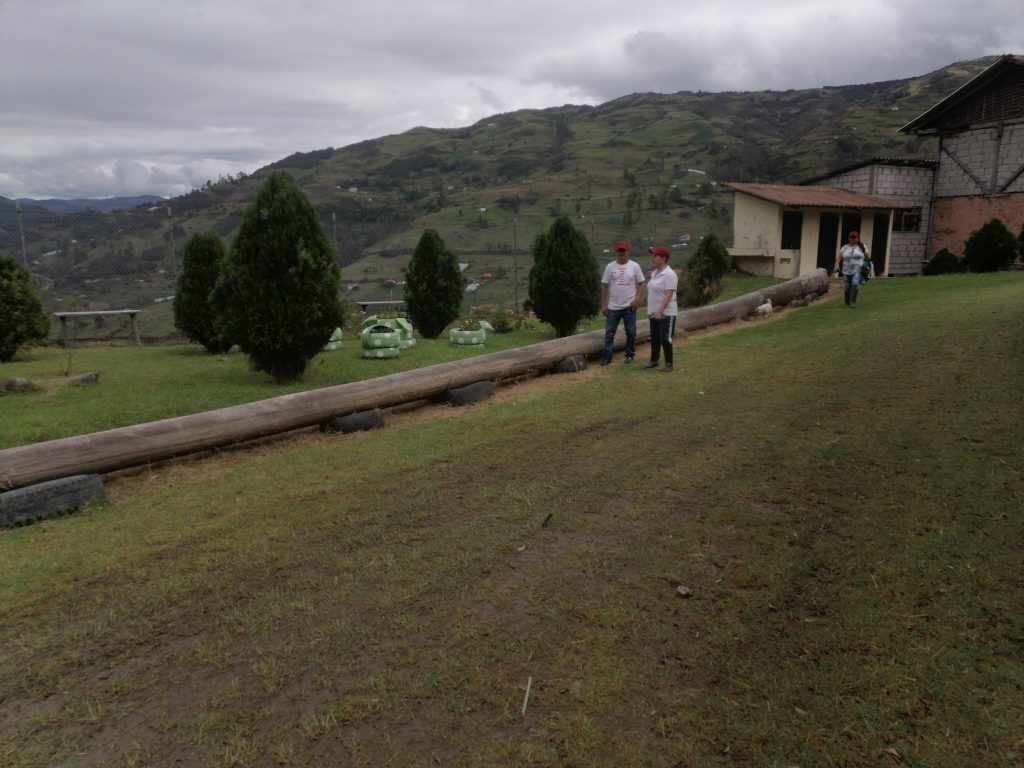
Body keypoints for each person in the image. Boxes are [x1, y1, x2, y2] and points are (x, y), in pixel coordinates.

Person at [600, 240, 646, 365]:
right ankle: (607, 357)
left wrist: (637, 299)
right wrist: (604, 304)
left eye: (623, 251)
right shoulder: (610, 267)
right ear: (616, 252)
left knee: (631, 332)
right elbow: (604, 285)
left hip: (629, 306)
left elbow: (642, 283)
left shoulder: (635, 266)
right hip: (613, 307)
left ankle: (630, 354)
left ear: (628, 252)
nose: (621, 253)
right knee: (609, 333)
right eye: (619, 251)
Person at [644, 246, 678, 372]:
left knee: (665, 338)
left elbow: (668, 294)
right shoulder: (654, 273)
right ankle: (654, 361)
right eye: (652, 256)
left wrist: (659, 311)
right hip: (654, 312)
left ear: (663, 258)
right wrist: (651, 311)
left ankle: (669, 364)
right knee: (655, 337)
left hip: (667, 312)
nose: (652, 258)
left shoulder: (670, 274)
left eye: (655, 256)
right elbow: (653, 294)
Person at [833, 230, 868, 307]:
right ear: (849, 238)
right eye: (851, 237)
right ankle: (847, 302)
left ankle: (853, 302)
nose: (852, 239)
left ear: (857, 238)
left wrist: (865, 265)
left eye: (854, 237)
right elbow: (839, 257)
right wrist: (837, 265)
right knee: (847, 287)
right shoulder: (844, 247)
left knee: (855, 284)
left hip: (858, 269)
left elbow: (867, 257)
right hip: (846, 270)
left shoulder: (862, 247)